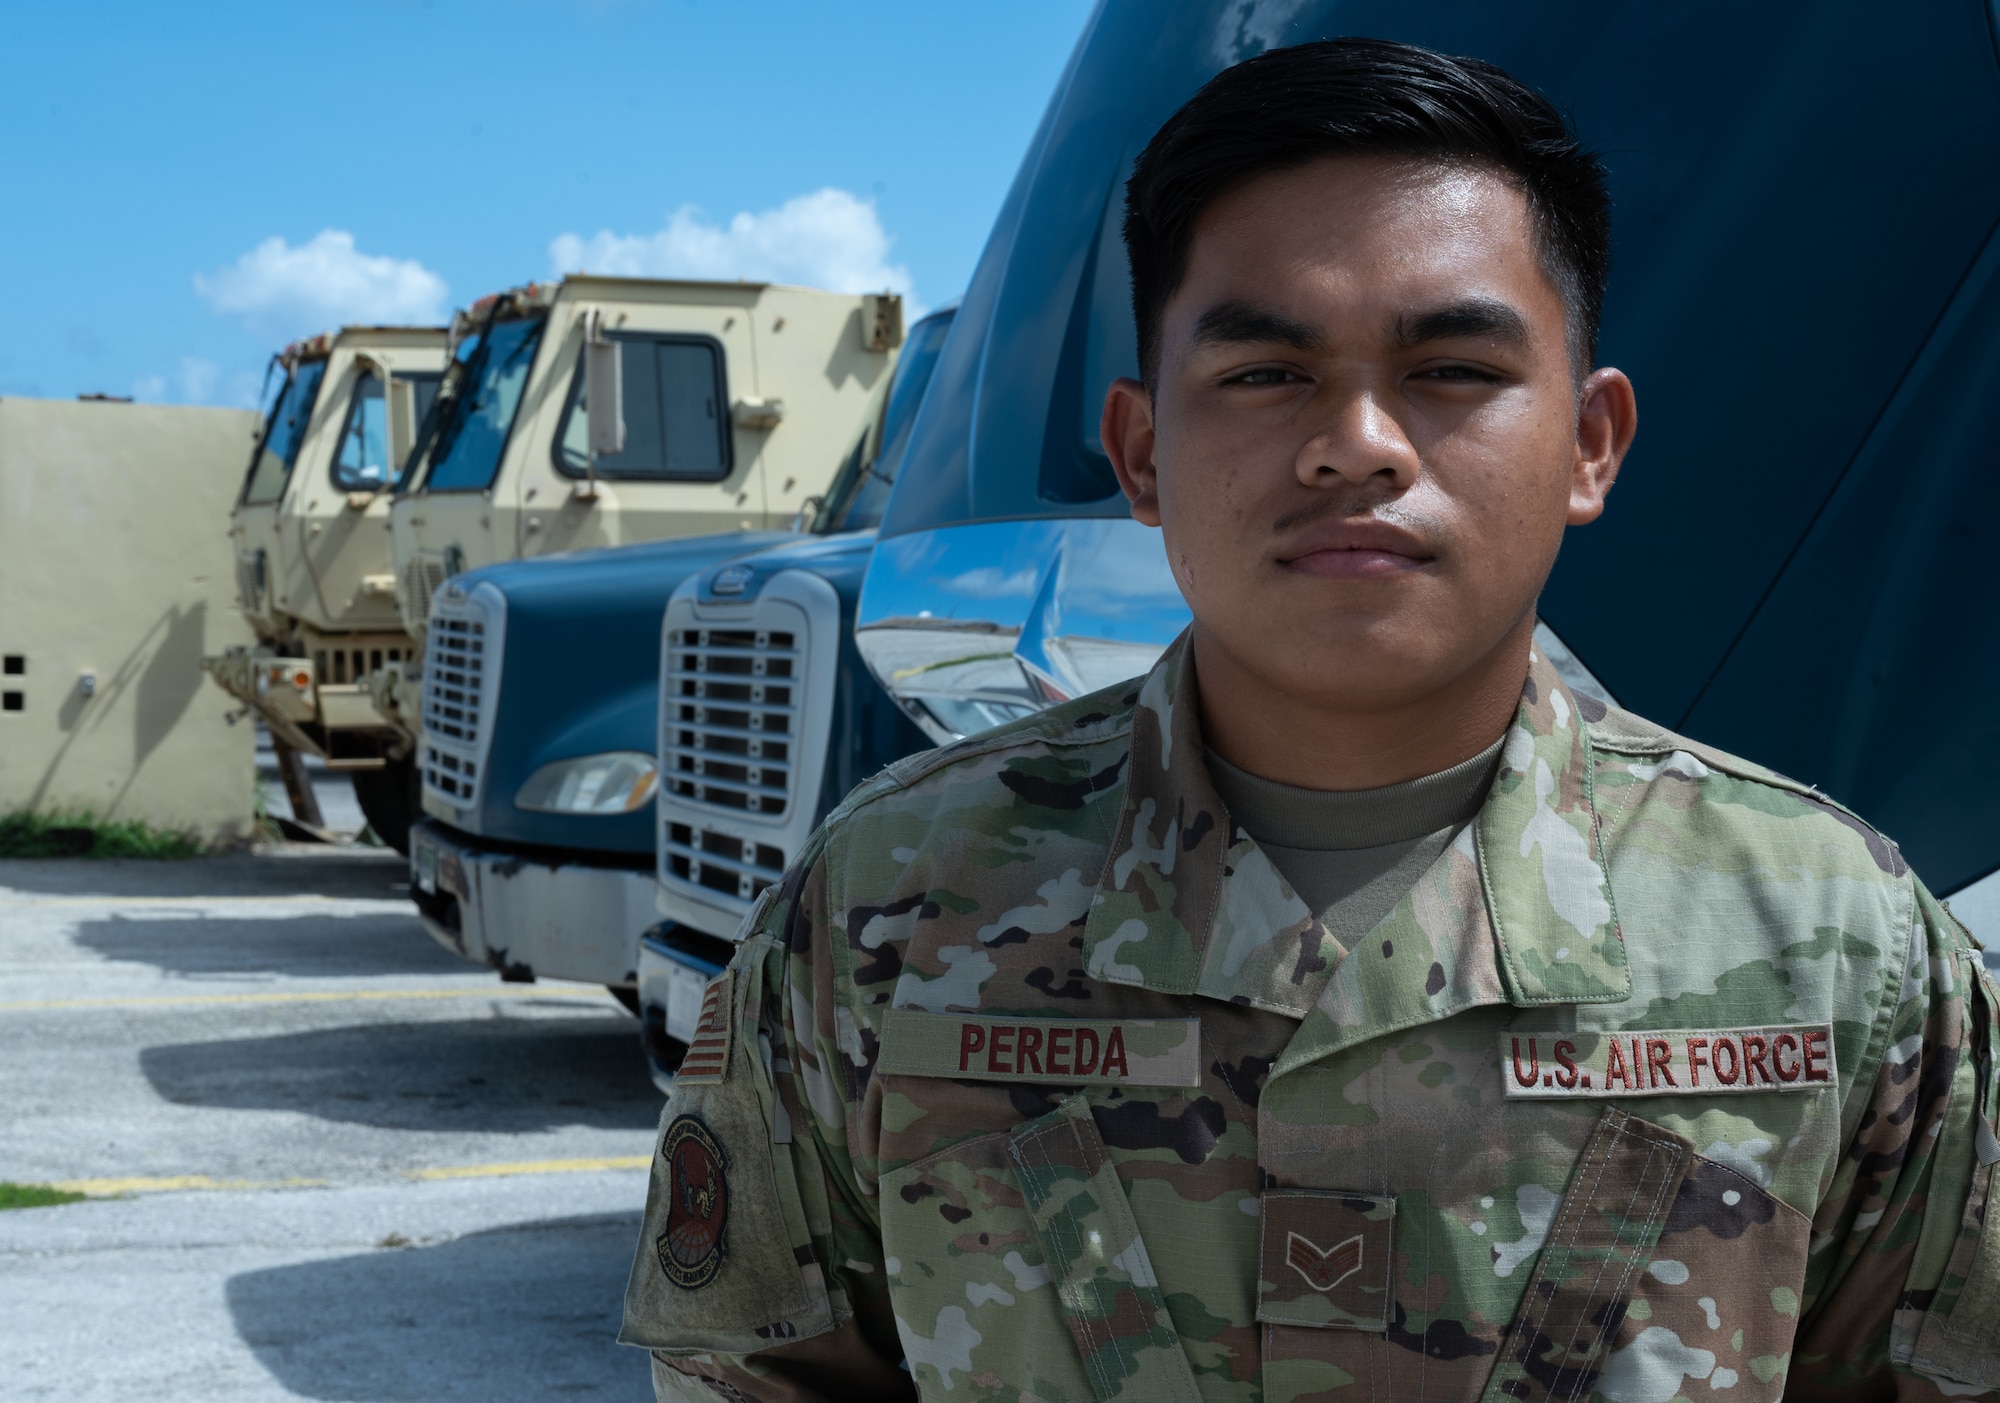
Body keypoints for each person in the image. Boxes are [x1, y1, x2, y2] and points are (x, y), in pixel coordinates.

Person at [621, 37, 2000, 1402]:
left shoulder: (1833, 944)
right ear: (1142, 453)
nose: (1357, 442)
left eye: (1452, 370)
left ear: (1590, 445)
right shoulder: (887, 910)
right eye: (1267, 373)